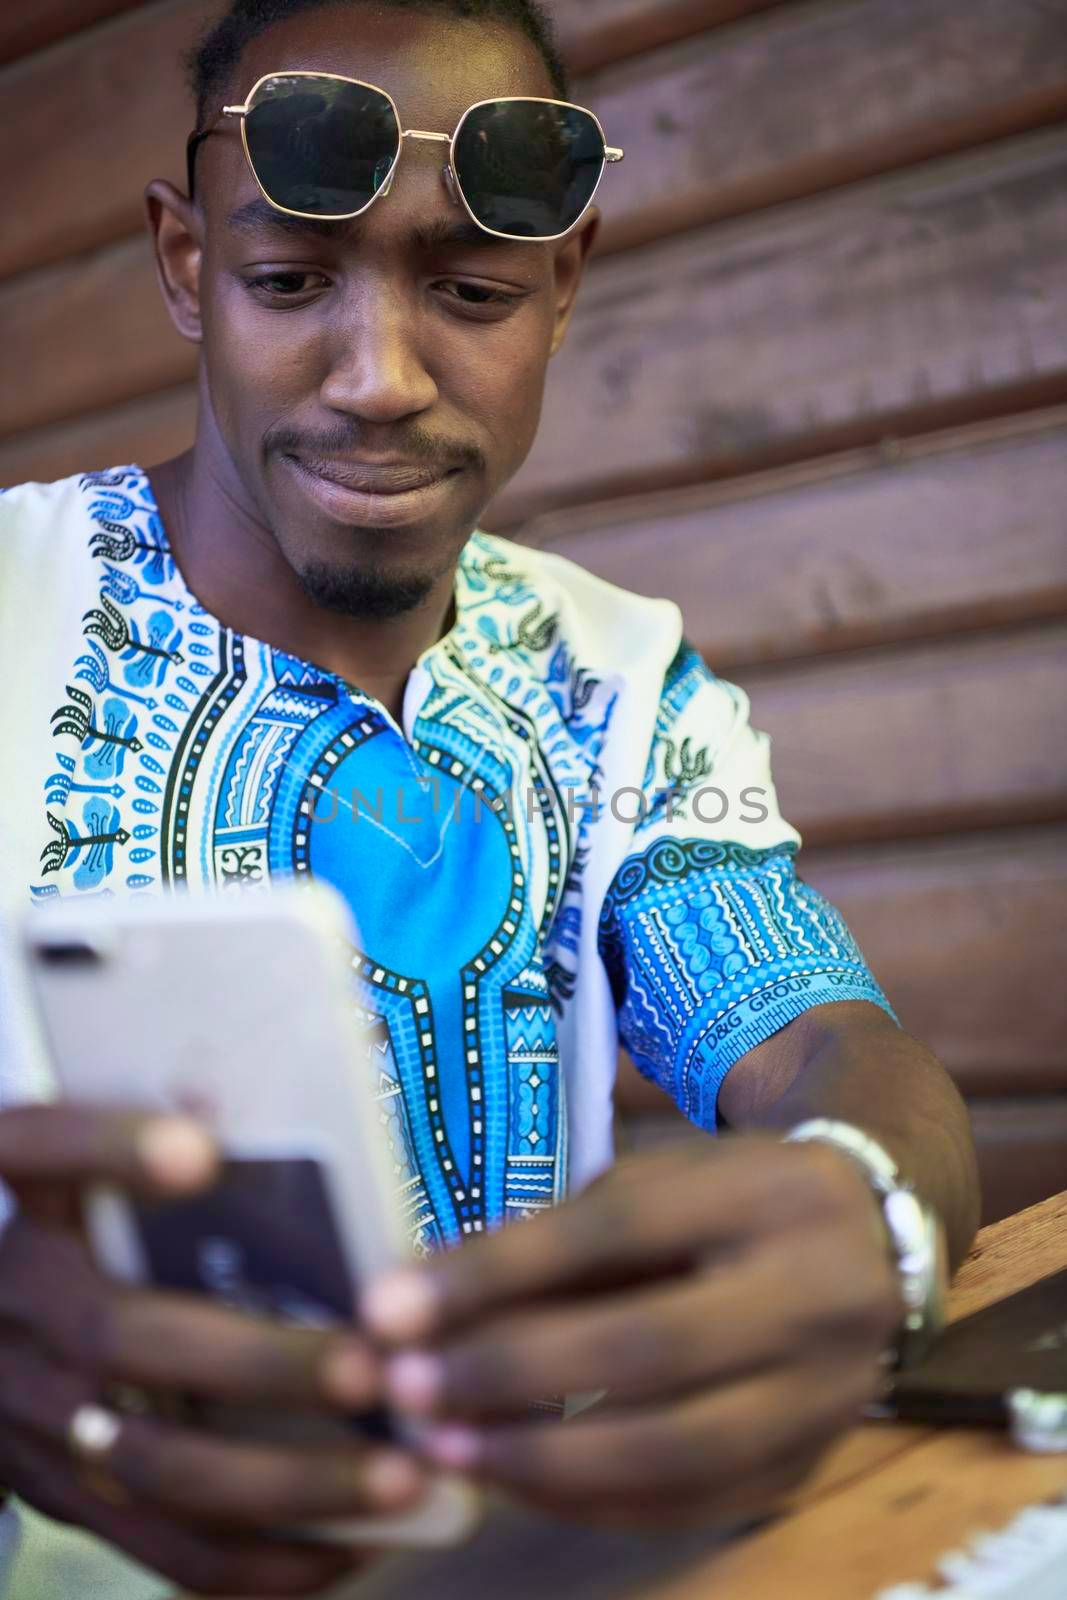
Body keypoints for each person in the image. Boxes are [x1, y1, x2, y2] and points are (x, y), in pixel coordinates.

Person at [0, 0, 981, 1594]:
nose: (382, 377)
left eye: (470, 290)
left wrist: (873, 1219)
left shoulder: (613, 677)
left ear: (564, 284)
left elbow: (814, 1038)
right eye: (287, 280)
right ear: (185, 265)